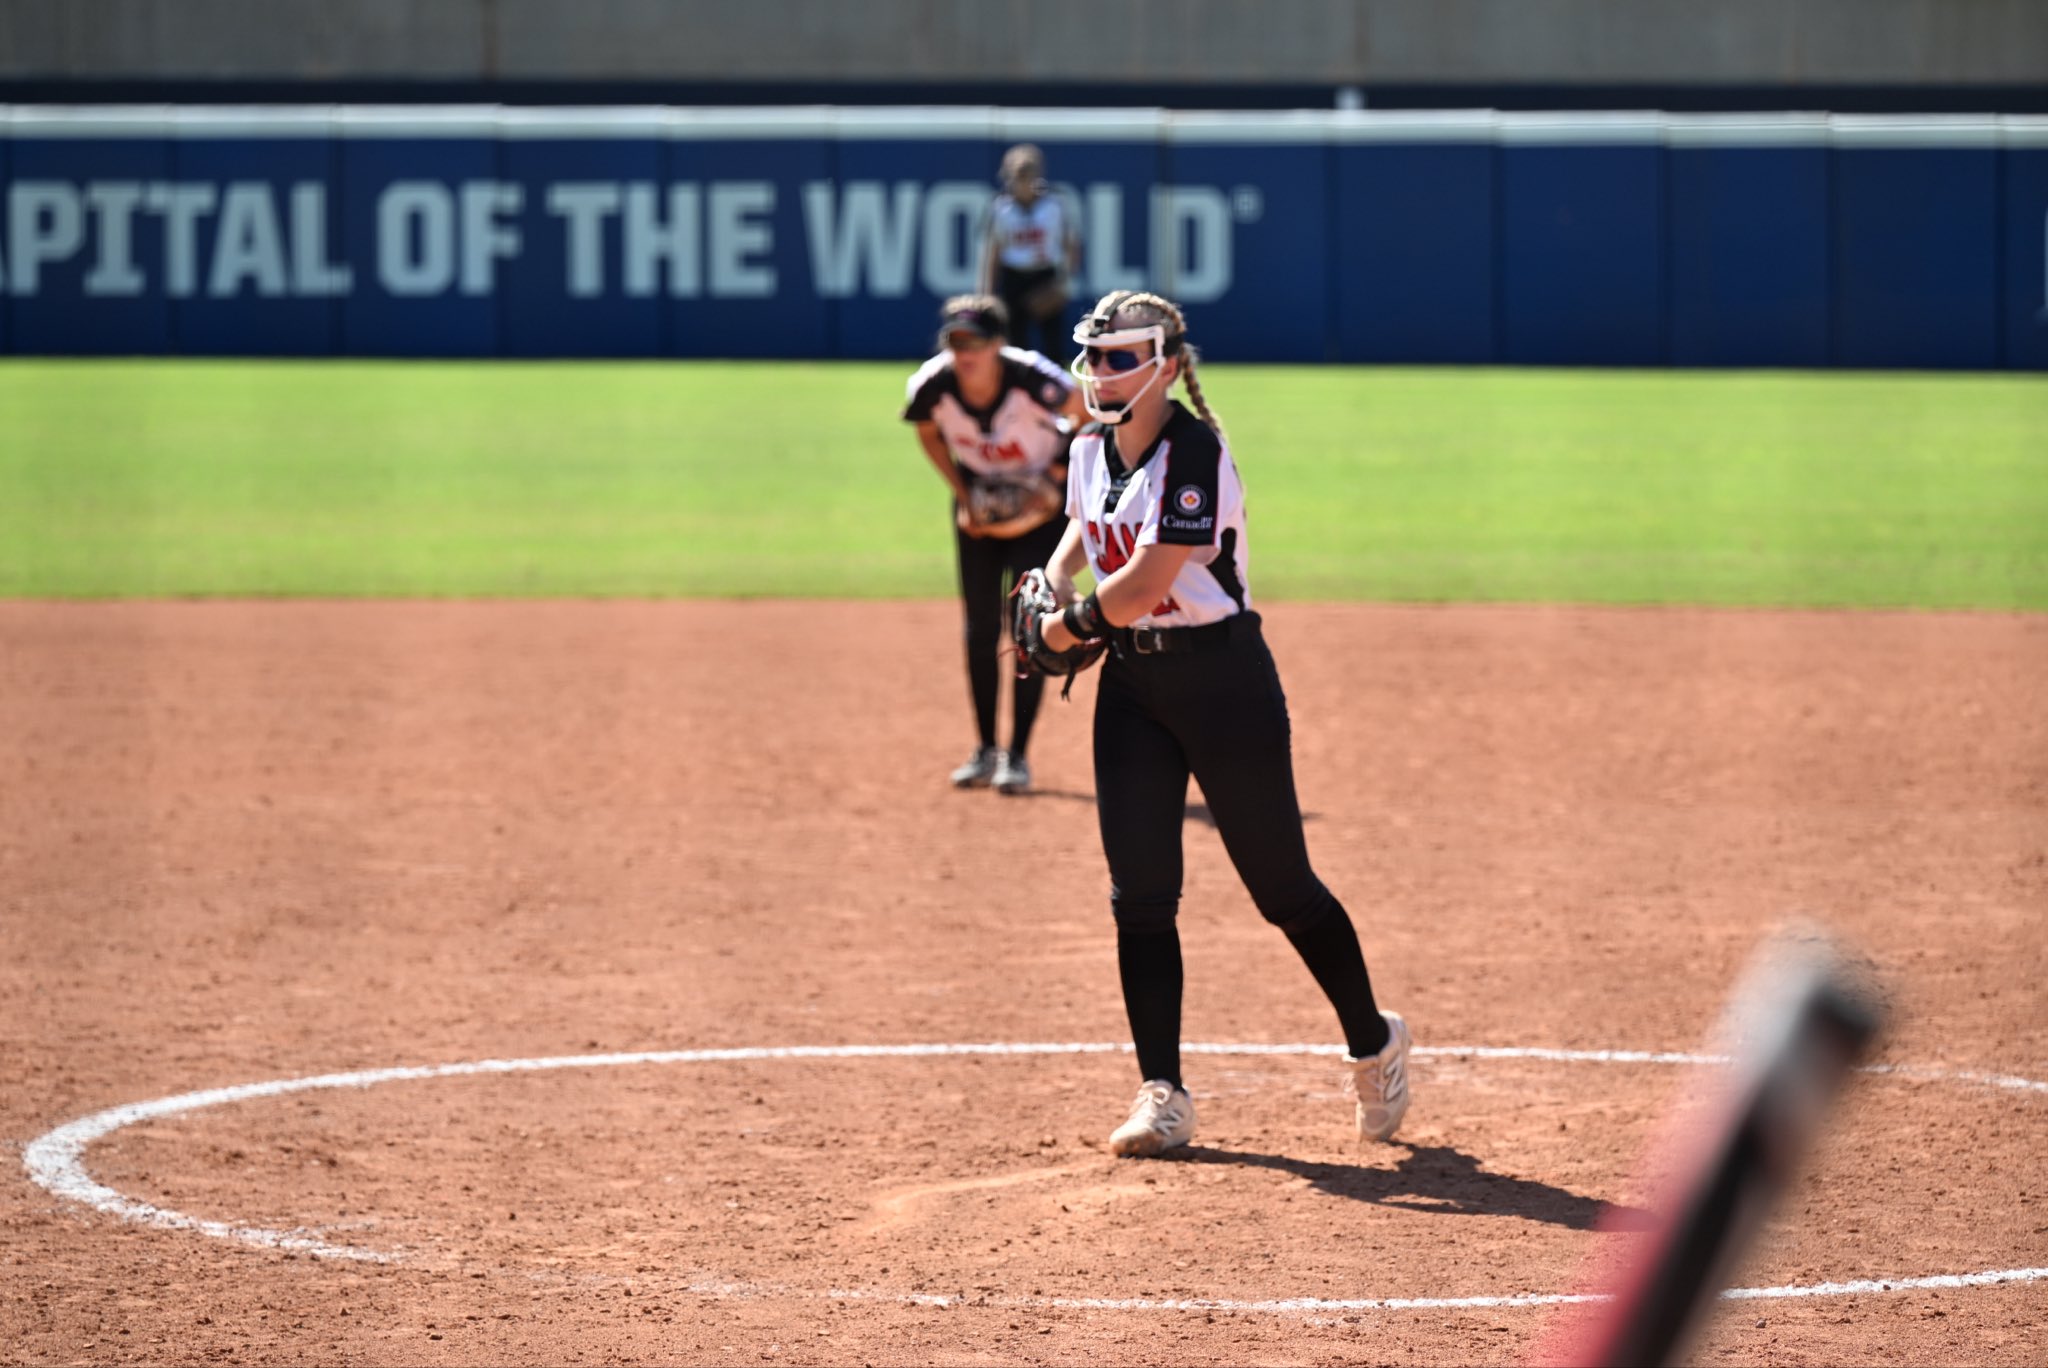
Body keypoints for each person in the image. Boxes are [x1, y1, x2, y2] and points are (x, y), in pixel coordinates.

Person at [1029, 289, 1413, 1157]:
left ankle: (1373, 1042)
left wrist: (1072, 625)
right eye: (1094, 356)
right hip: (1133, 690)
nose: (1101, 371)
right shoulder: (1091, 447)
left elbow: (1143, 579)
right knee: (1141, 897)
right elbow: (1082, 541)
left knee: (1283, 888)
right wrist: (1050, 583)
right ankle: (1162, 1092)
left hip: (1224, 682)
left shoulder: (1193, 450)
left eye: (1121, 357)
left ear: (1165, 364)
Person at [904, 294, 1093, 795]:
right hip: (980, 516)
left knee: (1029, 626)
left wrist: (1054, 478)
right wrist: (963, 495)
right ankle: (986, 748)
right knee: (980, 626)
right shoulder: (932, 385)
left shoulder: (1033, 378)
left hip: (1041, 515)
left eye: (976, 341)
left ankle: (1018, 755)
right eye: (955, 341)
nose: (964, 352)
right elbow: (928, 434)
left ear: (999, 344)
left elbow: (1086, 416)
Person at [978, 143, 1083, 365]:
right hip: (1013, 276)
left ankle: (1058, 392)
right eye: (1018, 175)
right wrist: (986, 294)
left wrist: (1062, 285)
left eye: (1028, 174)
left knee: (1052, 343)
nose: (1023, 181)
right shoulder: (1001, 209)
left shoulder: (1054, 205)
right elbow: (993, 252)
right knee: (1015, 346)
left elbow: (1071, 246)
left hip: (1044, 275)